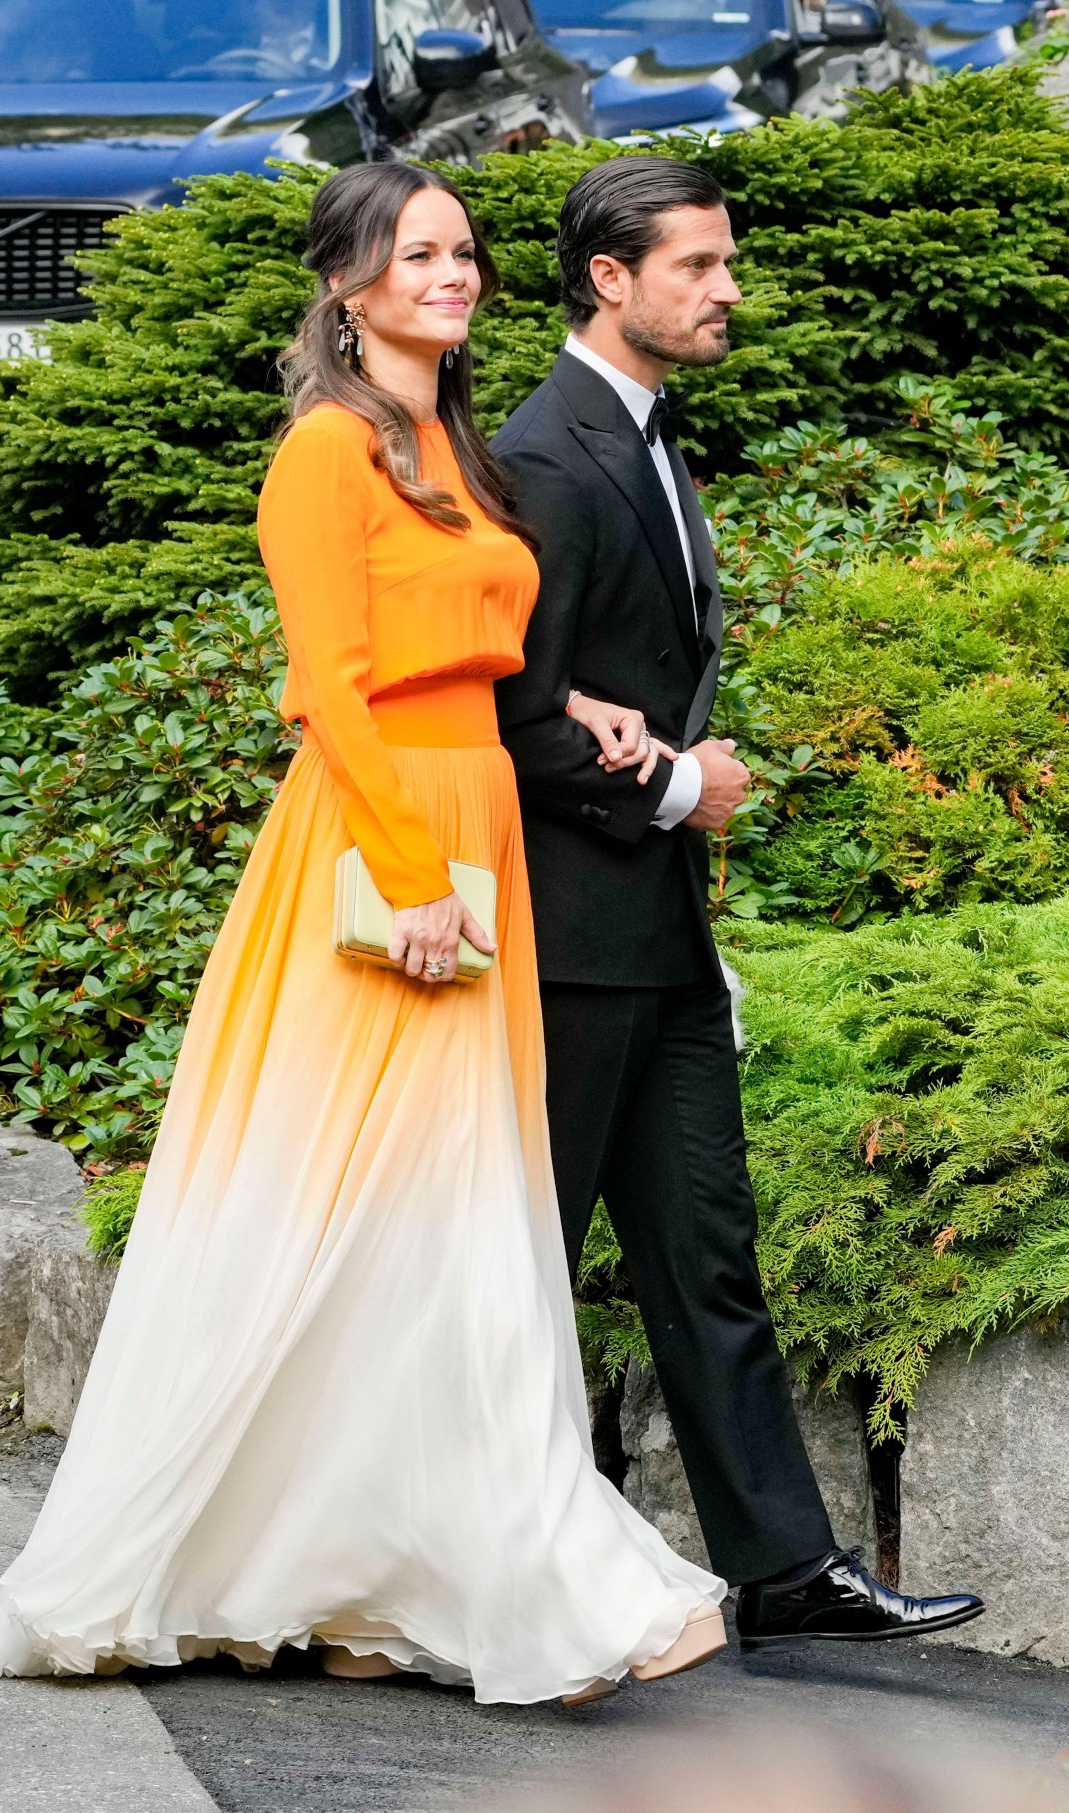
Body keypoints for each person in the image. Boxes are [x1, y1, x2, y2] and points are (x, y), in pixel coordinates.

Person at [0, 161, 729, 1706]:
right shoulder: (325, 448)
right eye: (419, 253)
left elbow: (475, 647)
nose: (455, 273)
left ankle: (370, 1588)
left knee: (426, 1230)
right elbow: (329, 686)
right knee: (350, 1213)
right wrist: (409, 866)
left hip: (477, 822)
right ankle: (519, 1585)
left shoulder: (455, 443)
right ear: (352, 283)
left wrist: (573, 708)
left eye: (464, 251)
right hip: (383, 844)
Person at [492, 156, 985, 1646]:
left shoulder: (636, 434)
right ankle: (485, 1571)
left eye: (727, 263)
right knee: (521, 1272)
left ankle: (783, 1566)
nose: (727, 290)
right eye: (699, 266)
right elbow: (511, 719)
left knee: (709, 1251)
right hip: (568, 947)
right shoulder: (548, 456)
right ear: (610, 279)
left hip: (657, 940)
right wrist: (671, 790)